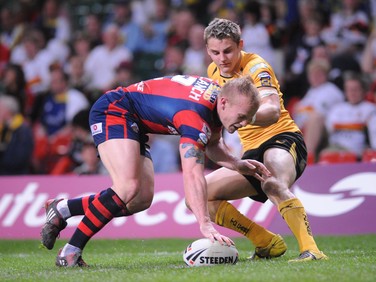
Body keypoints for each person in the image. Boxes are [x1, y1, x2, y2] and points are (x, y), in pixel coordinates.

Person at [40, 74, 270, 267]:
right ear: (224, 104)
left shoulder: (219, 101)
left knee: (139, 200)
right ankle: (70, 252)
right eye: (242, 117)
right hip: (113, 111)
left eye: (249, 118)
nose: (245, 124)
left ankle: (62, 209)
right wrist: (204, 223)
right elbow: (192, 173)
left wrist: (236, 163)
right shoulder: (194, 117)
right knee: (127, 187)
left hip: (134, 121)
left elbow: (212, 145)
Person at [201, 18, 328, 262]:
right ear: (208, 50)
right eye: (215, 52)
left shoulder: (256, 67)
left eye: (228, 51)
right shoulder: (212, 71)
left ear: (241, 45)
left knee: (272, 182)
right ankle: (266, 242)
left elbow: (272, 111)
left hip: (282, 139)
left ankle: (312, 250)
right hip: (250, 153)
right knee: (198, 195)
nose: (222, 58)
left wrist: (242, 118)